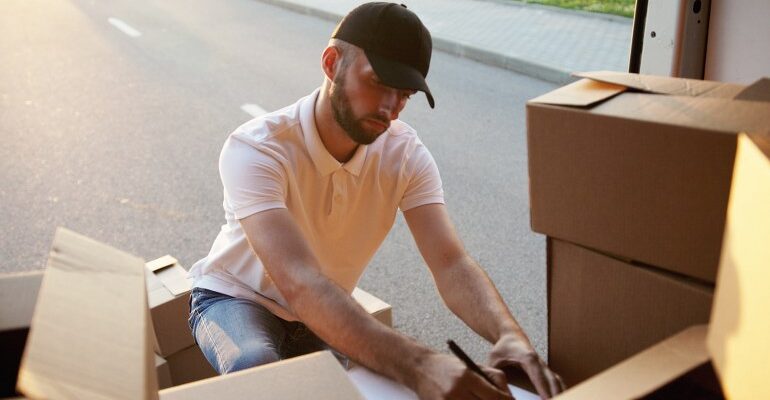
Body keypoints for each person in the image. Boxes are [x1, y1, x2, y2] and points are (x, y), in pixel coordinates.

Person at [187, 2, 564, 399]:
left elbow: (451, 264)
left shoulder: (405, 153)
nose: (390, 107)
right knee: (259, 369)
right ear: (332, 63)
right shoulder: (258, 148)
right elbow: (300, 281)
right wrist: (420, 364)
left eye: (405, 93)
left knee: (353, 390)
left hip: (322, 313)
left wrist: (510, 335)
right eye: (379, 83)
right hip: (237, 298)